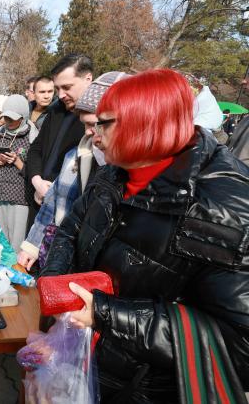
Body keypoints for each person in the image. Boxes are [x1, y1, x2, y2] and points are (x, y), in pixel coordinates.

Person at [40, 69, 249, 402]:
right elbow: (71, 227)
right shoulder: (116, 170)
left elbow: (238, 346)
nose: (93, 135)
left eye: (101, 124)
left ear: (143, 122)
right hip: (93, 365)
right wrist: (54, 287)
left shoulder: (224, 209)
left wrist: (105, 313)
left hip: (151, 389)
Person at [17, 71, 130, 274]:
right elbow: (53, 201)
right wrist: (32, 245)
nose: (88, 132)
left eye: (95, 124)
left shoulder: (130, 170)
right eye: (85, 123)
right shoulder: (76, 155)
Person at [24, 54, 92, 228]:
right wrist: (37, 181)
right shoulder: (56, 111)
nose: (60, 95)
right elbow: (35, 149)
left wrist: (52, 192)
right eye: (58, 88)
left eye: (67, 87)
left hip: (70, 215)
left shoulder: (99, 119)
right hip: (39, 204)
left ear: (88, 79)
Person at [0, 95, 38, 251]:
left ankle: (13, 272)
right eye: (6, 117)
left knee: (15, 244)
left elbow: (35, 174)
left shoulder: (32, 137)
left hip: (17, 199)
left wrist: (17, 161)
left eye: (13, 118)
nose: (8, 121)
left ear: (23, 116)